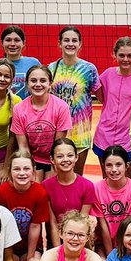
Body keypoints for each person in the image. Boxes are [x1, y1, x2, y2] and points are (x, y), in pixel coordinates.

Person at [93, 37, 131, 180]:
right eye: (121, 55)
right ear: (114, 55)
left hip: (129, 137)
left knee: (126, 180)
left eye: (130, 55)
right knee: (107, 179)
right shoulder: (107, 74)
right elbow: (102, 98)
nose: (125, 59)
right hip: (104, 135)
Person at [48, 26, 101, 174]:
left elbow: (103, 98)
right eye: (66, 40)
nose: (70, 44)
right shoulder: (52, 68)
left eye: (74, 40)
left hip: (80, 132)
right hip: (57, 132)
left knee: (77, 178)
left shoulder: (89, 69)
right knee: (57, 178)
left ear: (80, 44)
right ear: (60, 43)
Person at [11, 65, 71, 180]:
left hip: (54, 158)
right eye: (33, 81)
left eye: (43, 80)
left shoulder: (61, 107)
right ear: (27, 84)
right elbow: (23, 147)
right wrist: (30, 168)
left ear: (50, 84)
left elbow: (58, 145)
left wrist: (54, 168)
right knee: (34, 186)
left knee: (50, 188)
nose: (38, 84)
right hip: (32, 158)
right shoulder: (19, 109)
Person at [0, 151, 52, 261]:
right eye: (17, 169)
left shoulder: (40, 192)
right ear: (10, 170)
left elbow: (35, 226)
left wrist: (29, 256)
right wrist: (8, 253)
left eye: (26, 169)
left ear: (33, 170)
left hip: (30, 246)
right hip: (8, 246)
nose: (22, 173)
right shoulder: (1, 192)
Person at [91, 147, 131, 255]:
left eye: (118, 164)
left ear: (127, 165)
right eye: (109, 165)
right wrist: (111, 257)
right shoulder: (96, 189)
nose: (114, 170)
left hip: (129, 243)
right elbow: (103, 226)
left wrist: (123, 254)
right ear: (103, 166)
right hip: (104, 244)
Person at [0, 25, 41, 98]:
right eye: (8, 40)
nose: (12, 44)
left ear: (23, 43)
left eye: (17, 40)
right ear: (2, 43)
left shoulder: (33, 63)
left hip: (27, 108)